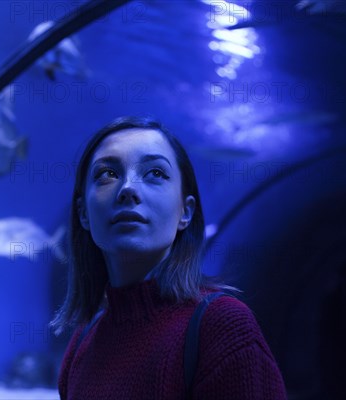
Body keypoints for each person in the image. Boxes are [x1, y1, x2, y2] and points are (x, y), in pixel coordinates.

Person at [51, 116, 287, 399]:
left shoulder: (222, 328)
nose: (128, 188)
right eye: (107, 174)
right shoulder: (83, 340)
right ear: (83, 214)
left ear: (185, 212)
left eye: (155, 173)